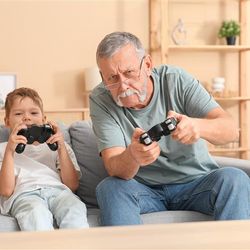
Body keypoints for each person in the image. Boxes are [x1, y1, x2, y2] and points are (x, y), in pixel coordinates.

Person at [89, 31, 250, 226]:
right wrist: (133, 155)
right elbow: (113, 165)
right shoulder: (100, 99)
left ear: (147, 65)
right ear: (102, 77)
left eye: (129, 73)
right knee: (110, 188)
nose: (123, 86)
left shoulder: (176, 80)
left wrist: (198, 126)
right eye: (112, 78)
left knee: (234, 179)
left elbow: (231, 131)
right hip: (144, 189)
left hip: (197, 183)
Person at [0, 87, 89, 231]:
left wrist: (61, 148)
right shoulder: (3, 149)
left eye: (33, 112)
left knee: (74, 209)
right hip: (24, 195)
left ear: (43, 119)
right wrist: (10, 150)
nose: (26, 117)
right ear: (7, 121)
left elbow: (72, 185)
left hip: (59, 192)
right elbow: (6, 191)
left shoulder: (58, 145)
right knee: (35, 214)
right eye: (18, 113)